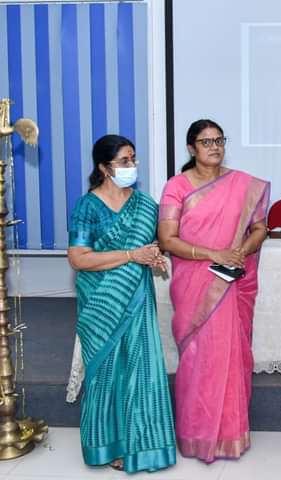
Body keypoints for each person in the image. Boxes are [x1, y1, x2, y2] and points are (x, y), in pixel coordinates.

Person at [157, 119, 269, 462]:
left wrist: (240, 251)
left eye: (219, 140)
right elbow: (167, 239)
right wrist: (213, 254)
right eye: (206, 142)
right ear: (191, 148)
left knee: (231, 356)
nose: (215, 147)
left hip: (232, 280)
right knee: (198, 360)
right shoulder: (177, 186)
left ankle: (230, 435)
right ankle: (196, 434)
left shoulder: (243, 183)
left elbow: (260, 228)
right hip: (195, 283)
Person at [67, 134, 176, 473]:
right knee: (107, 372)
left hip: (137, 298)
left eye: (134, 159)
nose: (133, 166)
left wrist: (153, 256)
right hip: (100, 303)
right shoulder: (87, 207)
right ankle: (107, 445)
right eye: (125, 161)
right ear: (104, 167)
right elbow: (79, 258)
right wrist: (131, 255)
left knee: (141, 370)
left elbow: (151, 246)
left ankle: (142, 446)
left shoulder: (145, 205)